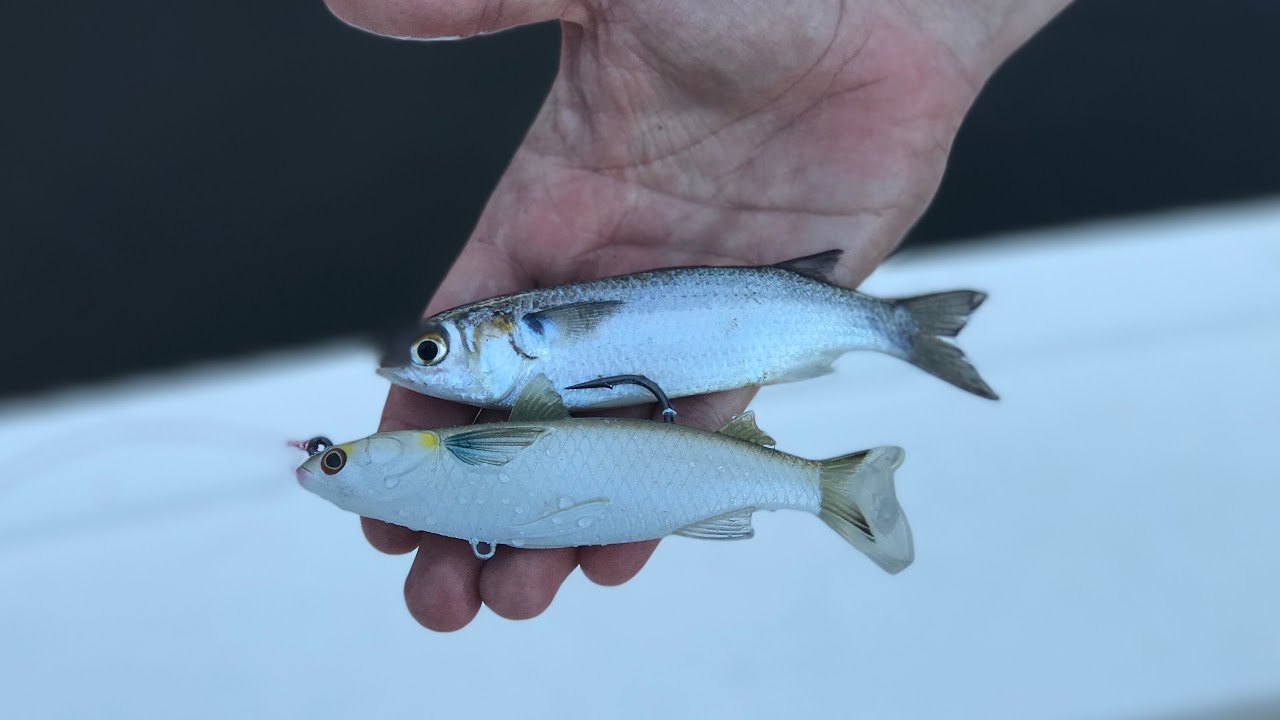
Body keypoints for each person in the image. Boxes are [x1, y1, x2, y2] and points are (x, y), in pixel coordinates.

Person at [325, 0, 1071, 631]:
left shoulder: (533, 348)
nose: (422, 366)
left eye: (432, 355)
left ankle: (900, 328)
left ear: (517, 333)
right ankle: (901, 330)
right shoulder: (523, 373)